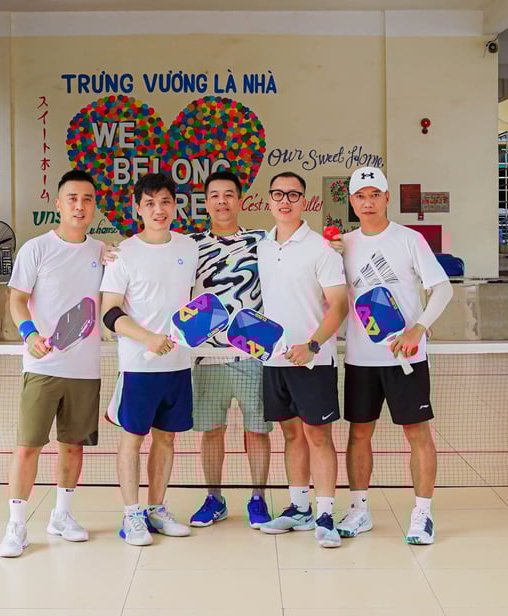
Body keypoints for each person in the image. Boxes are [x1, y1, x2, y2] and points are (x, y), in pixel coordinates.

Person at [336, 166, 453, 545]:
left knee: (417, 433)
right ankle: (359, 510)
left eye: (374, 194)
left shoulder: (409, 239)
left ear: (387, 197)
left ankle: (422, 514)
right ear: (351, 201)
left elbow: (443, 289)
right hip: (360, 359)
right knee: (359, 434)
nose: (367, 202)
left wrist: (419, 328)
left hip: (407, 358)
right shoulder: (341, 245)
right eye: (360, 196)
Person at [0, 169, 104, 558]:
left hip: (85, 369)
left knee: (72, 446)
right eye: (72, 198)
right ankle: (16, 525)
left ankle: (62, 515)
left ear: (94, 206)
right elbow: (16, 298)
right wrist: (30, 334)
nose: (80, 205)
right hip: (42, 367)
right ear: (58, 204)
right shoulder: (36, 249)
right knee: (28, 447)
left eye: (87, 199)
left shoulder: (102, 252)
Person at [100, 172, 199, 546]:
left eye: (165, 202)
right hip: (139, 365)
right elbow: (110, 312)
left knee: (166, 439)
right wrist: (149, 339)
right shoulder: (122, 253)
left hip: (178, 363)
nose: (159, 209)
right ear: (137, 208)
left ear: (175, 205)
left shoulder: (189, 248)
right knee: (132, 439)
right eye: (150, 203)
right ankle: (132, 515)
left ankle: (157, 509)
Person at [256, 171, 348, 548]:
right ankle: (299, 508)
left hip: (313, 360)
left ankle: (325, 514)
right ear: (269, 200)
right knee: (291, 434)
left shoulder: (322, 248)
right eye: (278, 194)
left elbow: (339, 305)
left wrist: (312, 345)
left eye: (293, 195)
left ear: (304, 201)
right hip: (274, 360)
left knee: (318, 435)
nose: (285, 200)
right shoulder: (262, 246)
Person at [188, 170, 272, 529]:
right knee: (212, 431)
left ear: (240, 201)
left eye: (228, 195)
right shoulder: (189, 245)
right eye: (214, 195)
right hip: (207, 356)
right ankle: (214, 498)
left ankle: (258, 498)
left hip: (252, 353)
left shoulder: (262, 241)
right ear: (206, 203)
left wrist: (334, 246)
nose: (222, 201)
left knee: (257, 431)